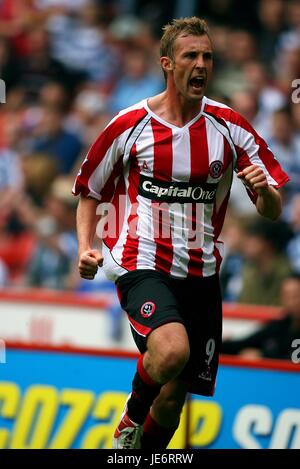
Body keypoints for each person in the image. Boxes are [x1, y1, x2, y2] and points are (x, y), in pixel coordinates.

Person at [72, 17, 289, 450]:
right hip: (144, 262)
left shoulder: (230, 127)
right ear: (168, 64)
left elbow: (272, 210)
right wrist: (85, 247)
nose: (202, 64)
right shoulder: (129, 124)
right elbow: (88, 190)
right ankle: (128, 423)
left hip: (203, 275)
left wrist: (263, 192)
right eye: (191, 55)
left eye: (208, 56)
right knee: (171, 352)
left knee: (172, 401)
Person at [222, 274, 300, 360]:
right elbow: (244, 343)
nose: (291, 302)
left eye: (296, 296)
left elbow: (294, 360)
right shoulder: (279, 326)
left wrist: (263, 357)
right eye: (286, 296)